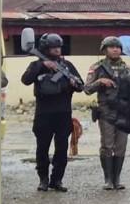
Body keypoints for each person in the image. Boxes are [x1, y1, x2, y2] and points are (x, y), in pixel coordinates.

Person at [21, 33, 83, 192]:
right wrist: (42, 66)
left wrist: (73, 83)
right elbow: (26, 80)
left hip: (63, 113)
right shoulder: (36, 64)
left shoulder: (67, 65)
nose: (57, 50)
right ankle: (43, 179)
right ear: (45, 48)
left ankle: (57, 180)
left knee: (61, 149)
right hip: (44, 114)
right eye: (53, 47)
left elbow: (81, 86)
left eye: (58, 47)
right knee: (42, 148)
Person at [84, 36, 130, 190]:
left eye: (118, 47)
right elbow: (87, 89)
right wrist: (100, 82)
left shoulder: (127, 69)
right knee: (107, 145)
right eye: (111, 47)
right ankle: (108, 179)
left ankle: (117, 178)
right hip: (106, 111)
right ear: (105, 50)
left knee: (121, 146)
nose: (115, 49)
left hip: (123, 112)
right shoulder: (98, 67)